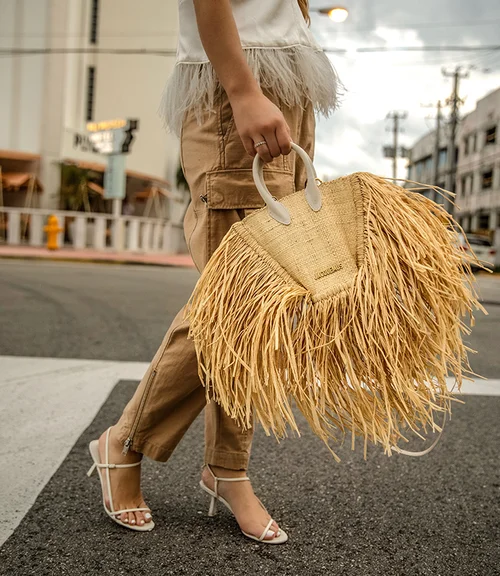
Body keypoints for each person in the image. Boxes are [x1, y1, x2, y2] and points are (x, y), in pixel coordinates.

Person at [87, 0, 340, 543]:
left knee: (259, 308)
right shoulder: (240, 89)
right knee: (235, 303)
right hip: (237, 89)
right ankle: (125, 441)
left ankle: (227, 467)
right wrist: (244, 91)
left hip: (286, 90)